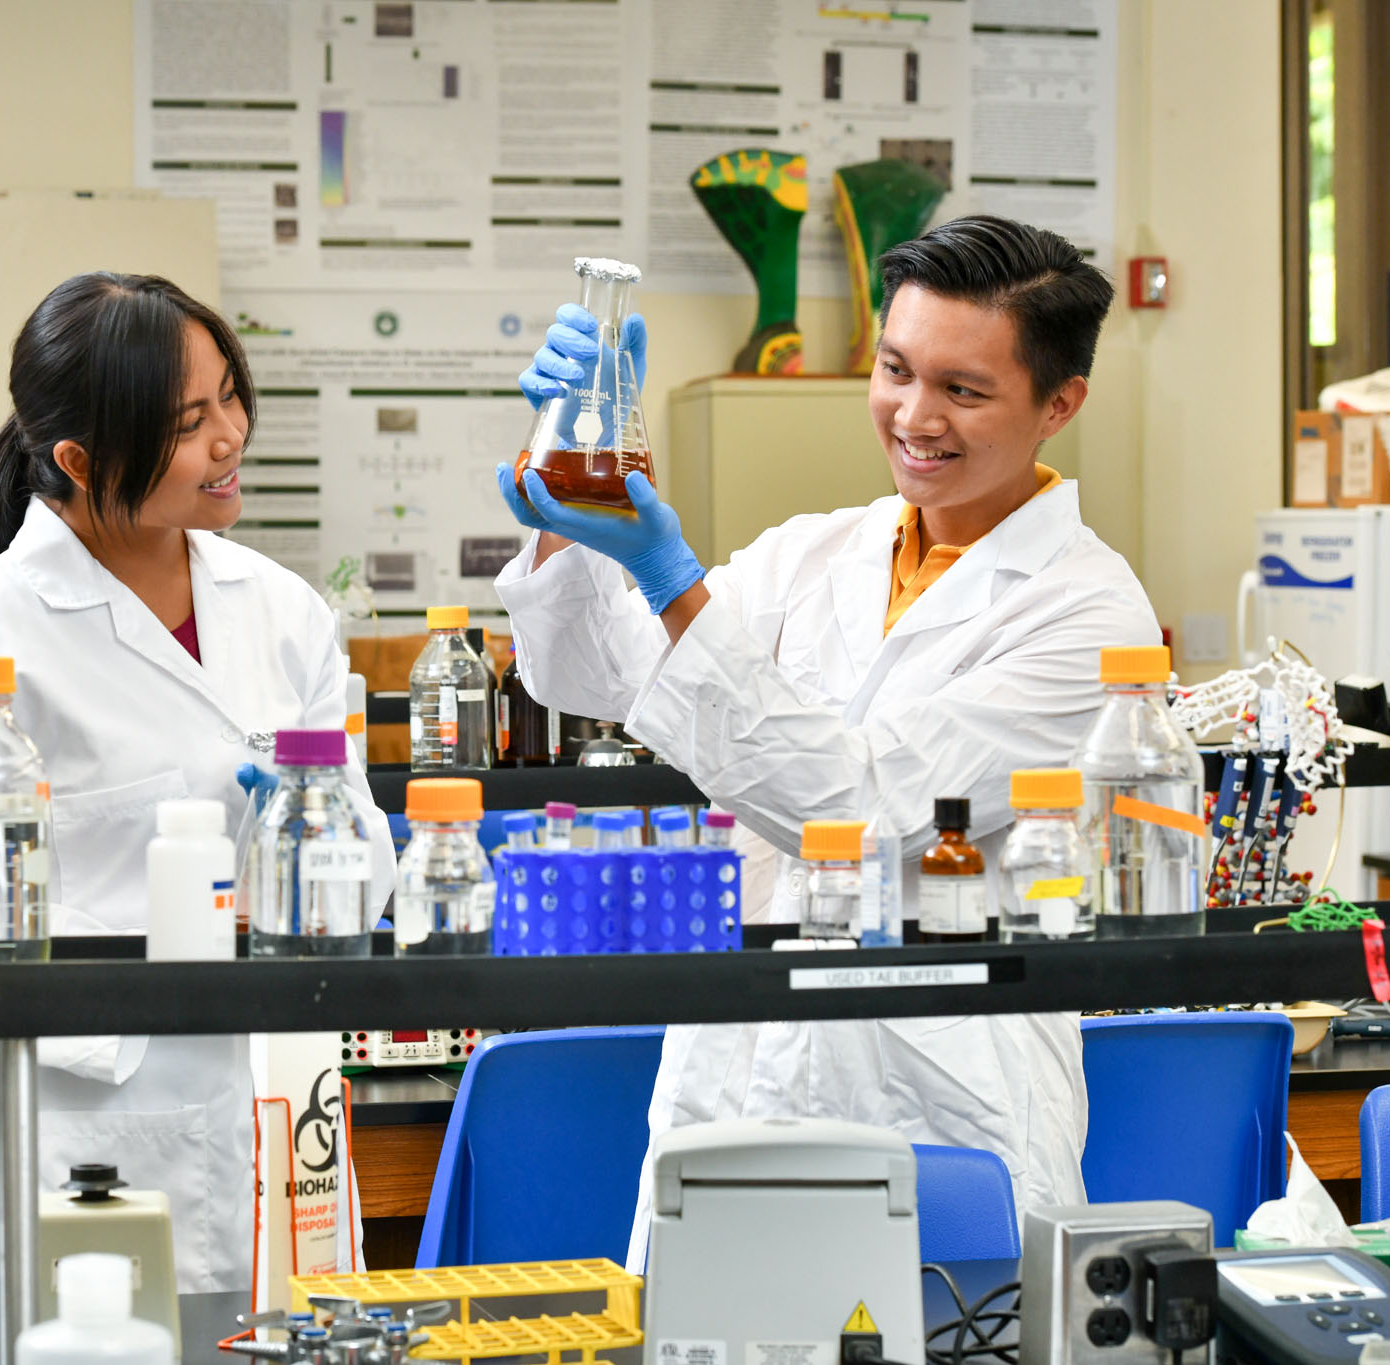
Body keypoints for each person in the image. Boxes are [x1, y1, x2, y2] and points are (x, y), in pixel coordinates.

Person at [493, 216, 1159, 1264]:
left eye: (962, 390)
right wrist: (566, 511)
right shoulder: (814, 554)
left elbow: (855, 807)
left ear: (1058, 404)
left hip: (940, 1104)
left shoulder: (1084, 614)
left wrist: (674, 581)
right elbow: (585, 673)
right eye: (893, 370)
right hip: (741, 1074)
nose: (912, 415)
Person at [0, 271, 393, 1293]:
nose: (228, 436)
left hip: (284, 1111)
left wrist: (307, 838)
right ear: (78, 459)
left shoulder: (282, 615)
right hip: (84, 1126)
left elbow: (364, 867)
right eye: (187, 421)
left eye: (229, 396)